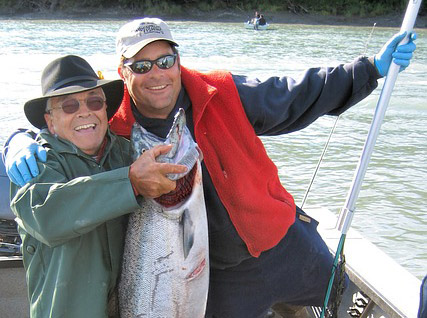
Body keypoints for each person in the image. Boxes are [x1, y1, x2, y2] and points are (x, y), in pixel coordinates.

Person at [4, 18, 417, 317]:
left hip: (285, 244)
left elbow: (294, 96)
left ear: (178, 60)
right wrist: (15, 141)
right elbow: (64, 131)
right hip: (218, 277)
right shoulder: (114, 130)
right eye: (142, 66)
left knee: (344, 304)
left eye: (165, 61)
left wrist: (369, 70)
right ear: (123, 73)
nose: (157, 74)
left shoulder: (222, 91)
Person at [8, 55, 186, 317]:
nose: (84, 112)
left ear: (105, 110)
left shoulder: (130, 155)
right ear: (50, 121)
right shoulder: (36, 165)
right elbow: (49, 216)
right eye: (69, 105)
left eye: (94, 101)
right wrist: (130, 182)